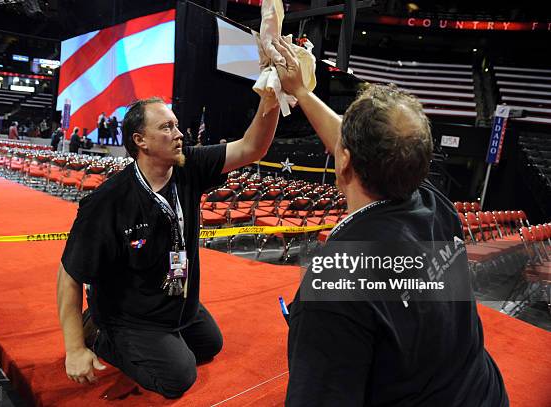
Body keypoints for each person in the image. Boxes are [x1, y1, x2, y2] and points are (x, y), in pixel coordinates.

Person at [273, 38, 508, 406]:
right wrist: (301, 92)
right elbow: (358, 144)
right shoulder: (433, 202)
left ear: (344, 161)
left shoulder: (338, 279)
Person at [57, 96, 279, 398]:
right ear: (141, 140)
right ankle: (101, 334)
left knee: (209, 345)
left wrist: (273, 95)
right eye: (167, 127)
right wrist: (74, 349)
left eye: (176, 125)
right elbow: (69, 275)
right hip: (130, 315)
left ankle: (160, 337)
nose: (179, 134)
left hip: (177, 301)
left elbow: (253, 147)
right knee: (178, 377)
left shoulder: (188, 164)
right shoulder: (108, 202)